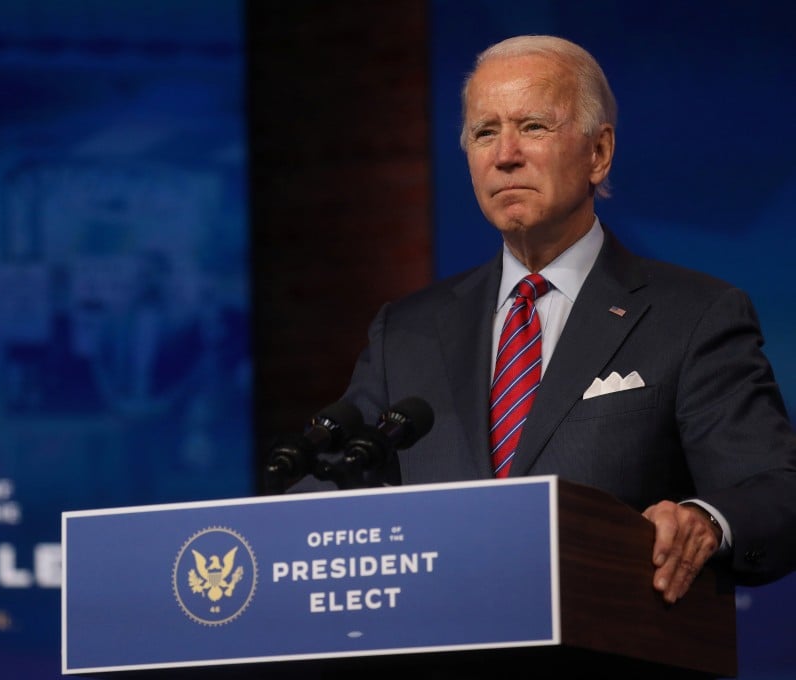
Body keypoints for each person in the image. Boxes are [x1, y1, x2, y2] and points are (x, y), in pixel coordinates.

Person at [293, 34, 796, 611]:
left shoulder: (694, 315)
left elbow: (775, 488)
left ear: (598, 153)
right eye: (485, 132)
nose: (505, 154)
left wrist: (704, 520)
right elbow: (324, 493)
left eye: (532, 126)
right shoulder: (404, 332)